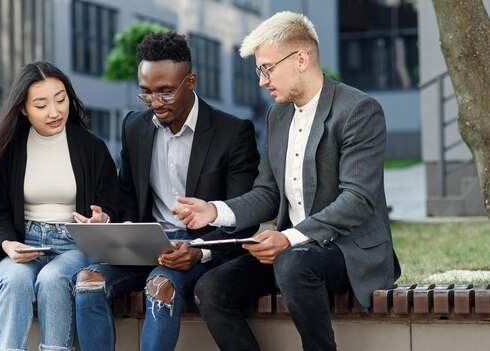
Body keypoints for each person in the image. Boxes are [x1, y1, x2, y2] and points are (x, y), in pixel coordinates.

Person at [172, 11, 401, 351]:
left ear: (301, 60)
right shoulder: (278, 115)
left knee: (293, 262)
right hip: (292, 253)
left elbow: (357, 200)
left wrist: (289, 238)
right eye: (259, 70)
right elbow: (268, 192)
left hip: (346, 249)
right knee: (211, 288)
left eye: (267, 68)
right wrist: (214, 211)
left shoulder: (358, 110)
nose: (262, 81)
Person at [72, 31, 260, 351]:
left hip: (199, 247)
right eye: (146, 93)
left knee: (160, 285)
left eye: (166, 92)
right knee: (87, 281)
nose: (156, 103)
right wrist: (108, 219)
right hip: (147, 243)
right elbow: (128, 194)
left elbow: (244, 217)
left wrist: (199, 250)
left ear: (191, 82)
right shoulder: (135, 126)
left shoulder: (233, 133)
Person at [0, 61, 120, 351]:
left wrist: (103, 218)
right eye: (41, 105)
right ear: (23, 109)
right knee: (13, 278)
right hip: (25, 244)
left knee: (52, 279)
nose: (54, 112)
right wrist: (9, 244)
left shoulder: (91, 147)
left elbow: (113, 202)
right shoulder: (8, 149)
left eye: (61, 100)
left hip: (74, 246)